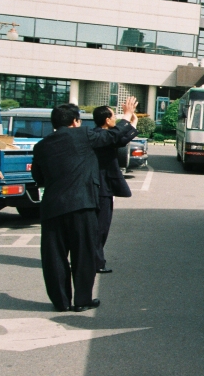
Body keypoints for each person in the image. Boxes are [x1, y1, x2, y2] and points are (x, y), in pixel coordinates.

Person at [32, 97, 139, 312]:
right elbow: (114, 136)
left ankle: (61, 302)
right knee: (84, 255)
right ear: (75, 121)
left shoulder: (41, 146)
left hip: (52, 208)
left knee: (54, 258)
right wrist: (127, 115)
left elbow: (38, 177)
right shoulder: (84, 135)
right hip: (82, 205)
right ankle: (82, 300)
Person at [92, 105, 139, 274]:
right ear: (107, 120)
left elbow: (120, 139)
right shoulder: (99, 135)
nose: (115, 119)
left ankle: (94, 259)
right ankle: (95, 262)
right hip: (100, 188)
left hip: (103, 187)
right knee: (100, 228)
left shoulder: (103, 135)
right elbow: (115, 136)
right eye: (113, 116)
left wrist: (133, 123)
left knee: (100, 227)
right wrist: (127, 117)